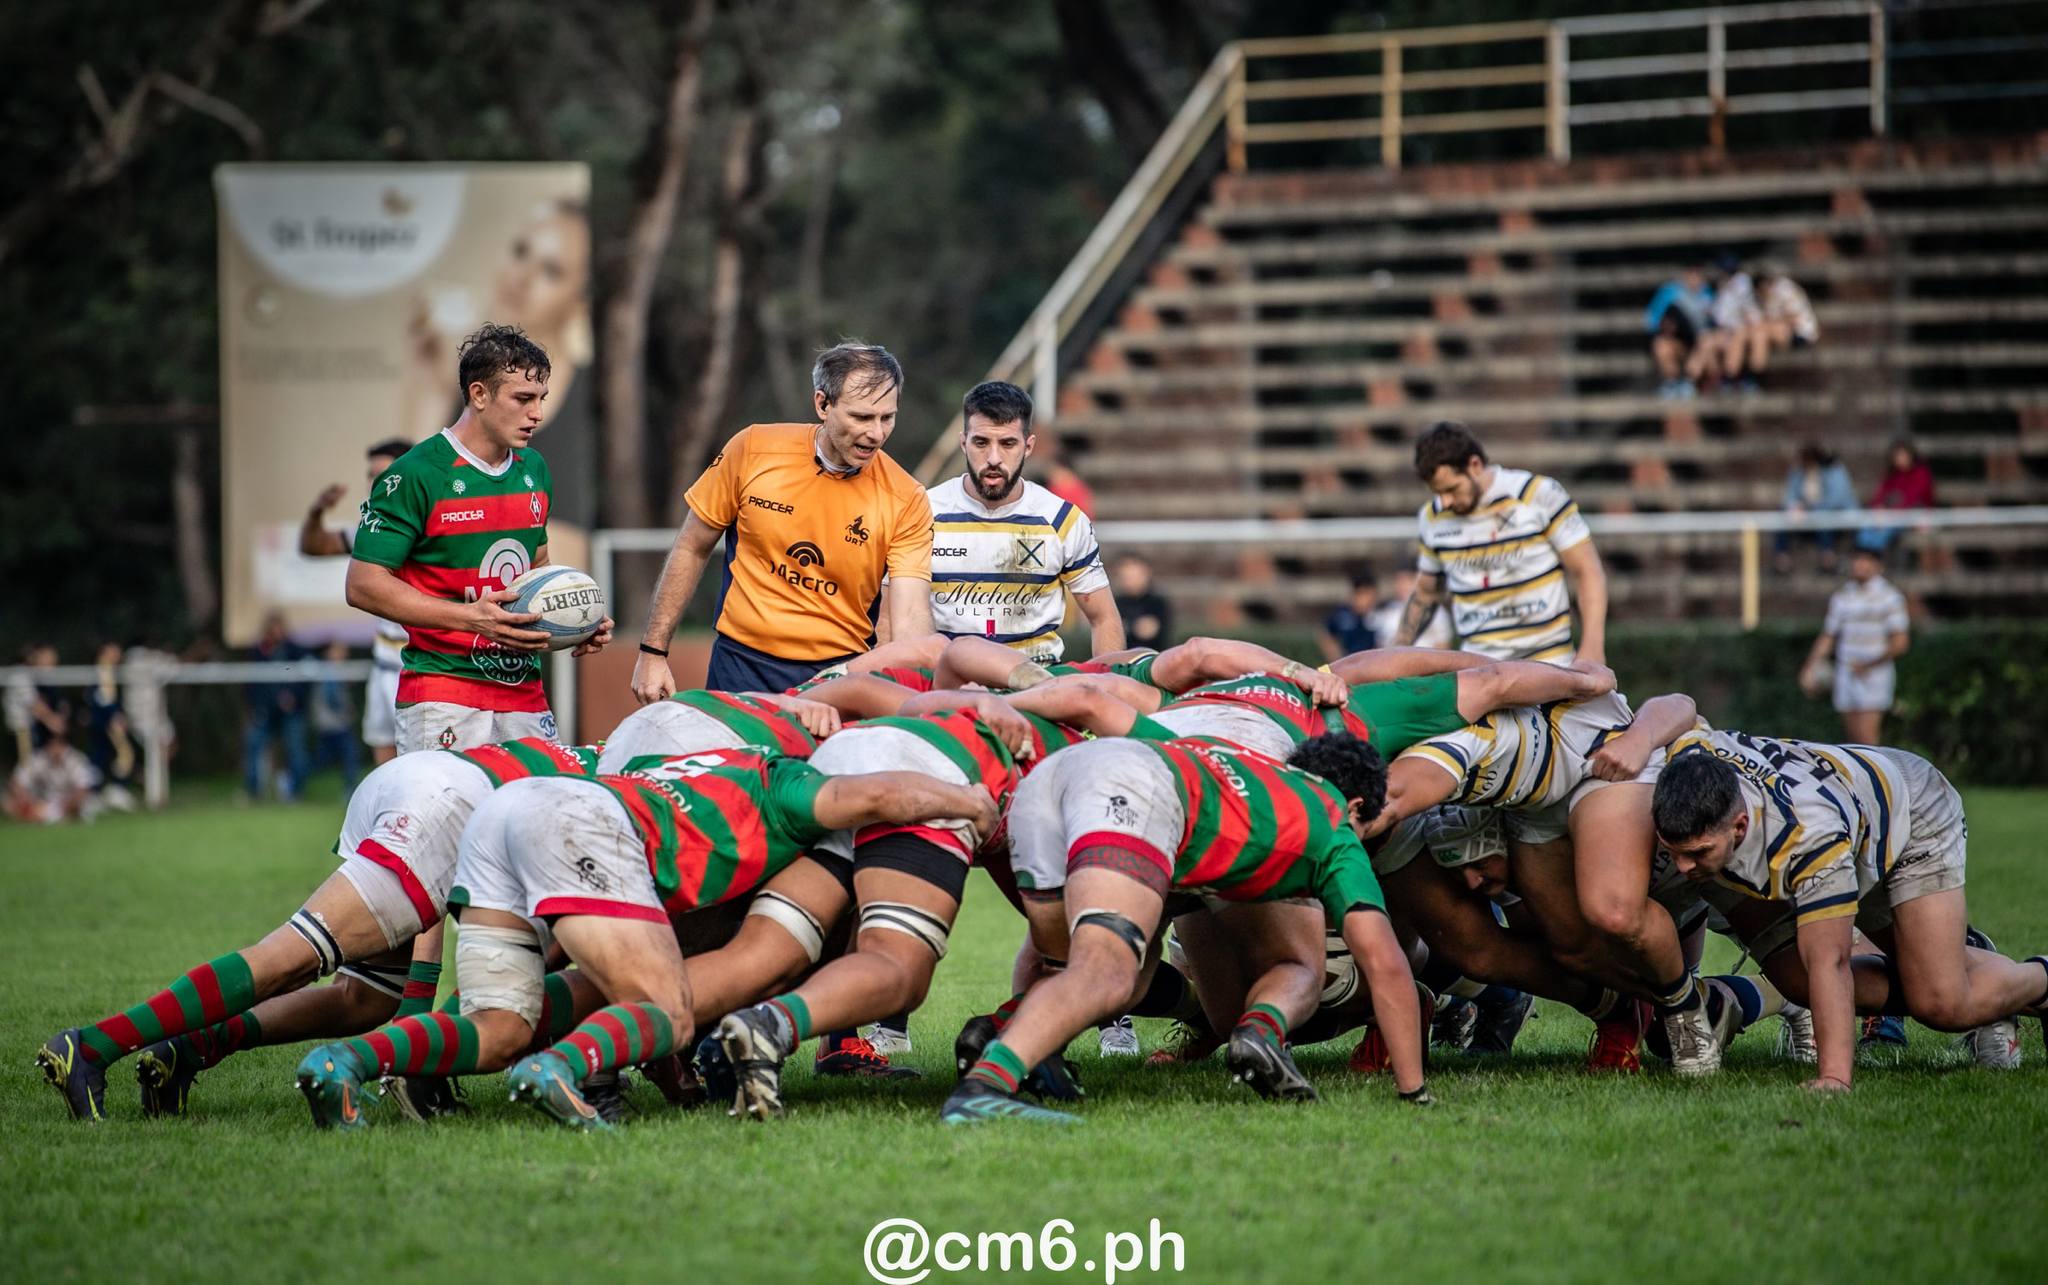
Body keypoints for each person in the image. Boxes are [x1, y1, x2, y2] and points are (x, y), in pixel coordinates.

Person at [296, 748, 999, 1130]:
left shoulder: (707, 762)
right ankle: (562, 1069)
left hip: (507, 816)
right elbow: (870, 798)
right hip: (577, 822)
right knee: (670, 1008)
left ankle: (346, 1063)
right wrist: (966, 800)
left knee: (503, 1025)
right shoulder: (786, 780)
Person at [33, 736, 601, 1121]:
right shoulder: (644, 806)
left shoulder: (628, 765)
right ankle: (89, 1046)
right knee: (290, 956)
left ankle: (195, 1042)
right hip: (443, 810)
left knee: (363, 998)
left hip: (429, 784)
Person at [942, 732, 1430, 1124]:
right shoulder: (1334, 823)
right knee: (1109, 971)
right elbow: (1385, 963)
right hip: (1134, 791)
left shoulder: (1247, 758)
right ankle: (985, 1087)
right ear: (1356, 806)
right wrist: (1414, 1093)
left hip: (1056, 777)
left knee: (1075, 965)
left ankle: (1003, 1029)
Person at [1653, 729, 2048, 1091]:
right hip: (1851, 801)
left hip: (1910, 813)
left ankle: (2040, 980)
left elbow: (1832, 962)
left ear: (1739, 827)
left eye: (1698, 853)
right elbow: (1679, 706)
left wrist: (1833, 1078)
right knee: (1796, 980)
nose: (1683, 868)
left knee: (1941, 1002)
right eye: (1674, 853)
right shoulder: (1690, 756)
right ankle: (1977, 977)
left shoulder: (1809, 839)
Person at [346, 324, 611, 754]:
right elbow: (363, 585)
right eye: (523, 399)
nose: (537, 414)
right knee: (446, 822)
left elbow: (536, 569)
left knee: (540, 817)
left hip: (523, 691)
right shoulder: (416, 474)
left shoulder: (534, 469)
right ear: (479, 395)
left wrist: (574, 617)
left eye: (541, 399)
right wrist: (472, 618)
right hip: (443, 694)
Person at [631, 341, 935, 700]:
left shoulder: (907, 497)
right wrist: (653, 651)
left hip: (838, 675)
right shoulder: (752, 449)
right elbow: (692, 547)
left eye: (888, 417)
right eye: (862, 417)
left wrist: (915, 692)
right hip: (740, 666)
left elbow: (911, 617)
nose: (877, 433)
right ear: (822, 404)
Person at [926, 380, 1122, 661]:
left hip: (1038, 686)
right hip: (950, 688)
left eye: (1008, 443)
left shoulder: (1062, 519)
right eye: (981, 442)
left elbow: (1104, 619)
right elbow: (893, 618)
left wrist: (1109, 686)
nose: (993, 458)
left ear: (1028, 446)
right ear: (963, 442)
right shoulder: (922, 513)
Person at [1392, 422, 1608, 666]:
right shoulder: (1432, 517)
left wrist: (1592, 648)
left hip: (1550, 661)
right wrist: (1392, 656)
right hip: (1478, 670)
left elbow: (1587, 570)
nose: (1445, 501)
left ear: (1474, 465)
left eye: (1451, 489)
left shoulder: (1536, 494)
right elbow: (1425, 595)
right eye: (1437, 492)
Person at [300, 437, 413, 766]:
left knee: (422, 773)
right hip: (383, 667)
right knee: (385, 768)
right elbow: (314, 546)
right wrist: (317, 512)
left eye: (382, 473)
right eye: (370, 474)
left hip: (418, 668)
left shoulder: (433, 527)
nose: (373, 482)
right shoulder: (372, 529)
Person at [1801, 546, 1909, 745]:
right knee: (1851, 741)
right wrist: (1812, 665)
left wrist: (1869, 664)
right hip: (1847, 670)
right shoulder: (1843, 596)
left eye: (1866, 560)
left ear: (1877, 565)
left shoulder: (1889, 597)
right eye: (1857, 559)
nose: (1860, 565)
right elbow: (1829, 635)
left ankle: (1871, 776)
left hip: (1874, 673)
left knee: (1867, 739)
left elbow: (1900, 642)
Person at [243, 612, 310, 802]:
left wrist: (293, 698)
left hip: (291, 711)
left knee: (297, 750)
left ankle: (295, 792)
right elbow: (252, 684)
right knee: (253, 745)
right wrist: (260, 707)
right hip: (265, 712)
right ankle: (253, 792)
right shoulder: (258, 652)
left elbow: (305, 678)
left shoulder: (295, 650)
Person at [1775, 442, 1858, 574]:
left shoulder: (1834, 470)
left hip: (1835, 518)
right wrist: (1795, 507)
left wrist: (1811, 508)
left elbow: (1837, 499)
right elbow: (1789, 498)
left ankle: (1827, 557)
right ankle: (1782, 558)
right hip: (1807, 519)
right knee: (1780, 517)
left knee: (1823, 516)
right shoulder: (1797, 472)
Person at [1735, 262, 1819, 382]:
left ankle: (1754, 378)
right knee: (1745, 334)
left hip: (1801, 334)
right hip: (1773, 331)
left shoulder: (1786, 289)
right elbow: (1751, 318)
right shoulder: (1755, 295)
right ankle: (1741, 376)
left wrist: (1767, 322)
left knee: (1759, 333)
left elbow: (1794, 318)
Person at [1644, 260, 1714, 399]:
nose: (1695, 278)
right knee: (1662, 346)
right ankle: (1671, 383)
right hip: (1678, 342)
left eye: (1698, 274)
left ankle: (1689, 382)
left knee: (1708, 341)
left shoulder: (1709, 293)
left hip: (1701, 344)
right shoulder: (1669, 292)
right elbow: (1651, 320)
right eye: (1692, 274)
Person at [1859, 437, 1936, 554]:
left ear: (1911, 455)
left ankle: (1872, 561)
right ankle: (1866, 559)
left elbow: (1912, 499)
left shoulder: (1921, 473)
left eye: (1902, 455)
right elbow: (1880, 495)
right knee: (1865, 529)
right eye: (1897, 456)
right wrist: (1878, 509)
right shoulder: (1892, 474)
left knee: (1882, 534)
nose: (1900, 459)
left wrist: (1889, 515)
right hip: (1888, 516)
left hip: (1911, 517)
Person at [84, 643, 137, 811]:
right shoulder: (102, 671)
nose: (117, 656)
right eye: (113, 652)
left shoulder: (111, 672)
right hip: (105, 723)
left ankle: (111, 790)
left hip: (107, 722)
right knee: (107, 756)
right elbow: (103, 699)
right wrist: (114, 715)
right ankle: (102, 792)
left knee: (114, 755)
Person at [309, 639, 362, 794]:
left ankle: (291, 781)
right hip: (335, 724)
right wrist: (347, 710)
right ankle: (350, 790)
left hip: (329, 723)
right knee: (349, 756)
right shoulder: (330, 671)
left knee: (323, 759)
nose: (344, 654)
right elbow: (333, 699)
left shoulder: (331, 670)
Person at [5, 736, 96, 824]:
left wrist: (67, 805)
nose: (55, 750)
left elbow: (83, 789)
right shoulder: (38, 759)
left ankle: (40, 818)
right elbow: (18, 782)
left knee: (78, 806)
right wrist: (24, 798)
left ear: (65, 746)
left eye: (58, 746)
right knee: (8, 803)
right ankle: (40, 817)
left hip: (69, 803)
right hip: (43, 803)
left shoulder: (76, 759)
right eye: (52, 746)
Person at [1370, 569, 1449, 650]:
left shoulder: (1435, 610)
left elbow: (1442, 645)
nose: (1402, 586)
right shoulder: (1388, 610)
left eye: (1407, 581)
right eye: (1399, 582)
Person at [1317, 569, 1380, 662]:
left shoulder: (1381, 614)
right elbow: (1326, 634)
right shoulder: (1342, 614)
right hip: (1348, 664)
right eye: (1361, 594)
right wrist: (1338, 659)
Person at [1112, 554, 1173, 650]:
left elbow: (1153, 631)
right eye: (1126, 577)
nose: (1131, 582)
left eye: (1134, 576)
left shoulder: (1157, 603)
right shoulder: (1115, 604)